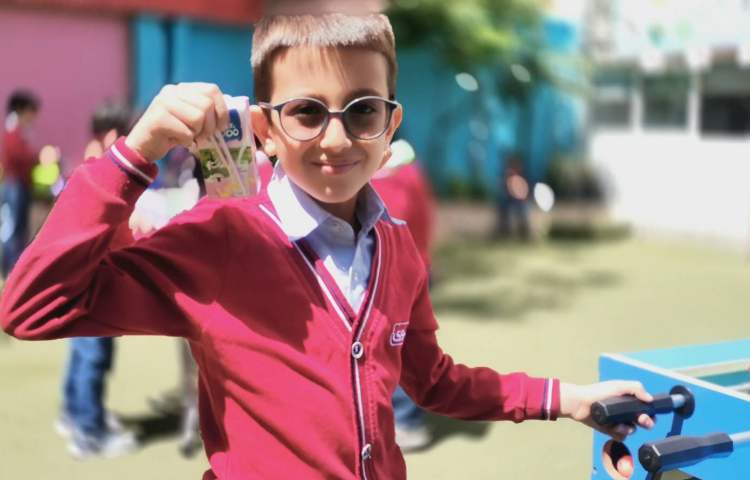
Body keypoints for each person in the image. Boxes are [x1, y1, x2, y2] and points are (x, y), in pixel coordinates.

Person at [1, 11, 655, 479]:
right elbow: (30, 308)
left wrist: (565, 398)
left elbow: (433, 380)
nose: (337, 139)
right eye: (308, 112)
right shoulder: (220, 239)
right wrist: (135, 155)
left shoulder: (397, 247)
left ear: (391, 124)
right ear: (264, 131)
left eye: (363, 109)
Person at [55, 101, 139, 460]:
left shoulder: (88, 163)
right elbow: (110, 227)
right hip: (95, 276)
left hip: (82, 276)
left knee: (81, 351)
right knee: (94, 355)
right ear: (112, 133)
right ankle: (89, 433)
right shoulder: (102, 168)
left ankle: (73, 414)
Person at [371, 138, 436, 451]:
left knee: (397, 347)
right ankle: (400, 418)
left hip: (397, 274)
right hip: (413, 269)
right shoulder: (412, 175)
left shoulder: (391, 179)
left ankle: (407, 421)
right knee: (401, 346)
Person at [1, 90, 40, 277]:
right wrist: (36, 158)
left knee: (20, 227)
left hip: (21, 184)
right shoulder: (12, 129)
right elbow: (18, 155)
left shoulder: (18, 129)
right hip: (14, 185)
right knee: (13, 228)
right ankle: (11, 268)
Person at [495, 153, 531, 240]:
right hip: (508, 201)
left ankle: (523, 232)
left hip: (519, 202)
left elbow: (524, 192)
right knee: (503, 206)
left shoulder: (522, 177)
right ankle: (504, 231)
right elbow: (504, 191)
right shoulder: (506, 177)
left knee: (523, 208)